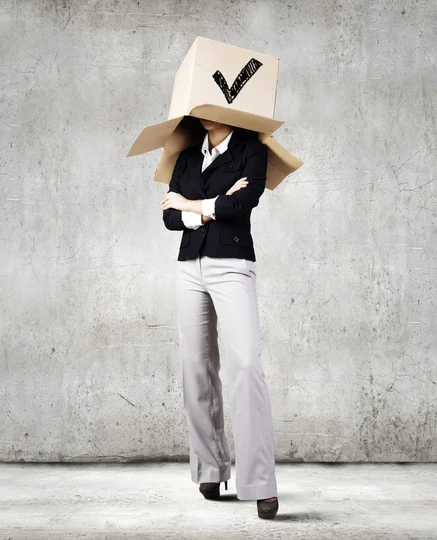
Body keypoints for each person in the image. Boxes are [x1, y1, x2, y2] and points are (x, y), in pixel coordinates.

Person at [161, 117, 279, 520]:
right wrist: (209, 208)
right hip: (188, 267)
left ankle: (260, 482)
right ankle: (211, 468)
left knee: (246, 364)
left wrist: (191, 206)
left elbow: (241, 204)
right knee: (196, 367)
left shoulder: (251, 151)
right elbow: (169, 217)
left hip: (231, 263)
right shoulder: (187, 156)